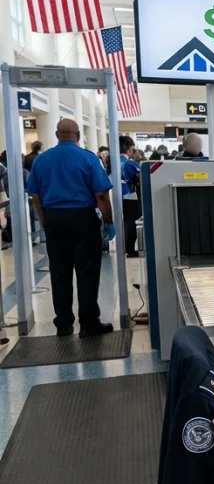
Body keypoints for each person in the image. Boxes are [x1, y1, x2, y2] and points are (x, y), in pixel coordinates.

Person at [26, 119, 115, 338]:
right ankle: (88, 323)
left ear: (57, 135)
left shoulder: (41, 160)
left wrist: (46, 220)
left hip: (54, 219)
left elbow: (35, 196)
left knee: (59, 272)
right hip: (83, 218)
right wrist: (109, 221)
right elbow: (101, 195)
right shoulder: (88, 158)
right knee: (87, 271)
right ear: (77, 135)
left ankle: (64, 324)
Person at [118, 136, 141, 258]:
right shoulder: (129, 163)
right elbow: (139, 177)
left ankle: (126, 247)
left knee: (125, 222)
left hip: (117, 194)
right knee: (131, 222)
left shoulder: (114, 161)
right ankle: (131, 249)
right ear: (130, 149)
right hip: (129, 195)